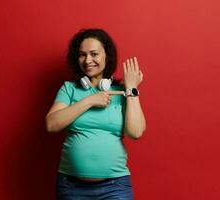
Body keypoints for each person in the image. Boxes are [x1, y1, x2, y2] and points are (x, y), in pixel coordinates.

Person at [45, 28, 146, 200]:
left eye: (94, 54)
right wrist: (89, 101)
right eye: (82, 55)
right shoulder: (69, 89)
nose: (87, 60)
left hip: (115, 187)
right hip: (71, 186)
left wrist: (131, 89)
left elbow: (135, 132)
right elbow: (52, 124)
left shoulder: (121, 92)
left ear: (107, 56)